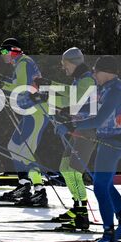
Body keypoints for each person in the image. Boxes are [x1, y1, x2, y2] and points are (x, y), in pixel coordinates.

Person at [56, 55, 121, 242]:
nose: (94, 76)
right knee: (106, 185)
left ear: (105, 72)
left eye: (96, 72)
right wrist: (68, 112)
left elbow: (98, 120)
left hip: (112, 143)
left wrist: (72, 125)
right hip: (108, 141)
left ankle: (109, 234)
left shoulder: (115, 90)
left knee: (100, 187)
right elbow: (89, 107)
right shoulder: (106, 88)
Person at [0, 37, 48, 207]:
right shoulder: (20, 64)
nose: (2, 55)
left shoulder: (24, 62)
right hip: (29, 114)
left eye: (4, 51)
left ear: (14, 50)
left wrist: (1, 85)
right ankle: (25, 185)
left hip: (36, 114)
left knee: (26, 152)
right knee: (13, 146)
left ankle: (39, 191)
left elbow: (22, 86)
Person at [52, 46, 97, 231]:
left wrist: (47, 98)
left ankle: (81, 214)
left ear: (72, 63)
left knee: (74, 171)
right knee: (65, 168)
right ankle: (77, 207)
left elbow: (74, 101)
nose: (64, 68)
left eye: (65, 65)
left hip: (87, 132)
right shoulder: (79, 79)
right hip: (77, 130)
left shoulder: (86, 80)